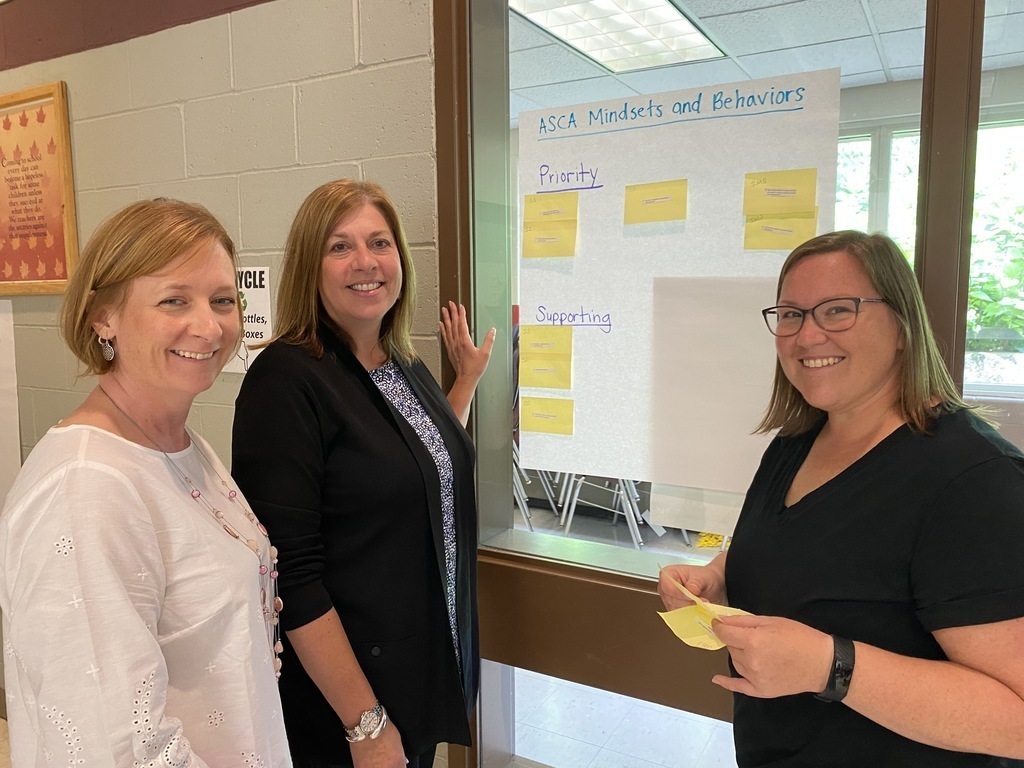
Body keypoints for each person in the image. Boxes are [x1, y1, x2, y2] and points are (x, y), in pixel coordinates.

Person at [659, 231, 1024, 766]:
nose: (807, 336)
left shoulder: (974, 481)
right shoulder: (798, 440)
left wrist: (829, 667)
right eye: (790, 314)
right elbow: (810, 539)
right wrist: (717, 574)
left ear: (902, 325)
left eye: (837, 310)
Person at [0, 199, 291, 766]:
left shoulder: (183, 446)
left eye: (223, 300)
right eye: (174, 300)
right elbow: (119, 745)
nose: (209, 326)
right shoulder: (86, 487)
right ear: (102, 316)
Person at [231, 179, 494, 768]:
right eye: (339, 247)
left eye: (379, 242)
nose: (365, 262)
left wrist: (466, 383)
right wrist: (366, 725)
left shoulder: (402, 361)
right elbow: (291, 576)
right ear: (309, 266)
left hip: (419, 668)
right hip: (350, 700)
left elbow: (415, 465)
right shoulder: (287, 380)